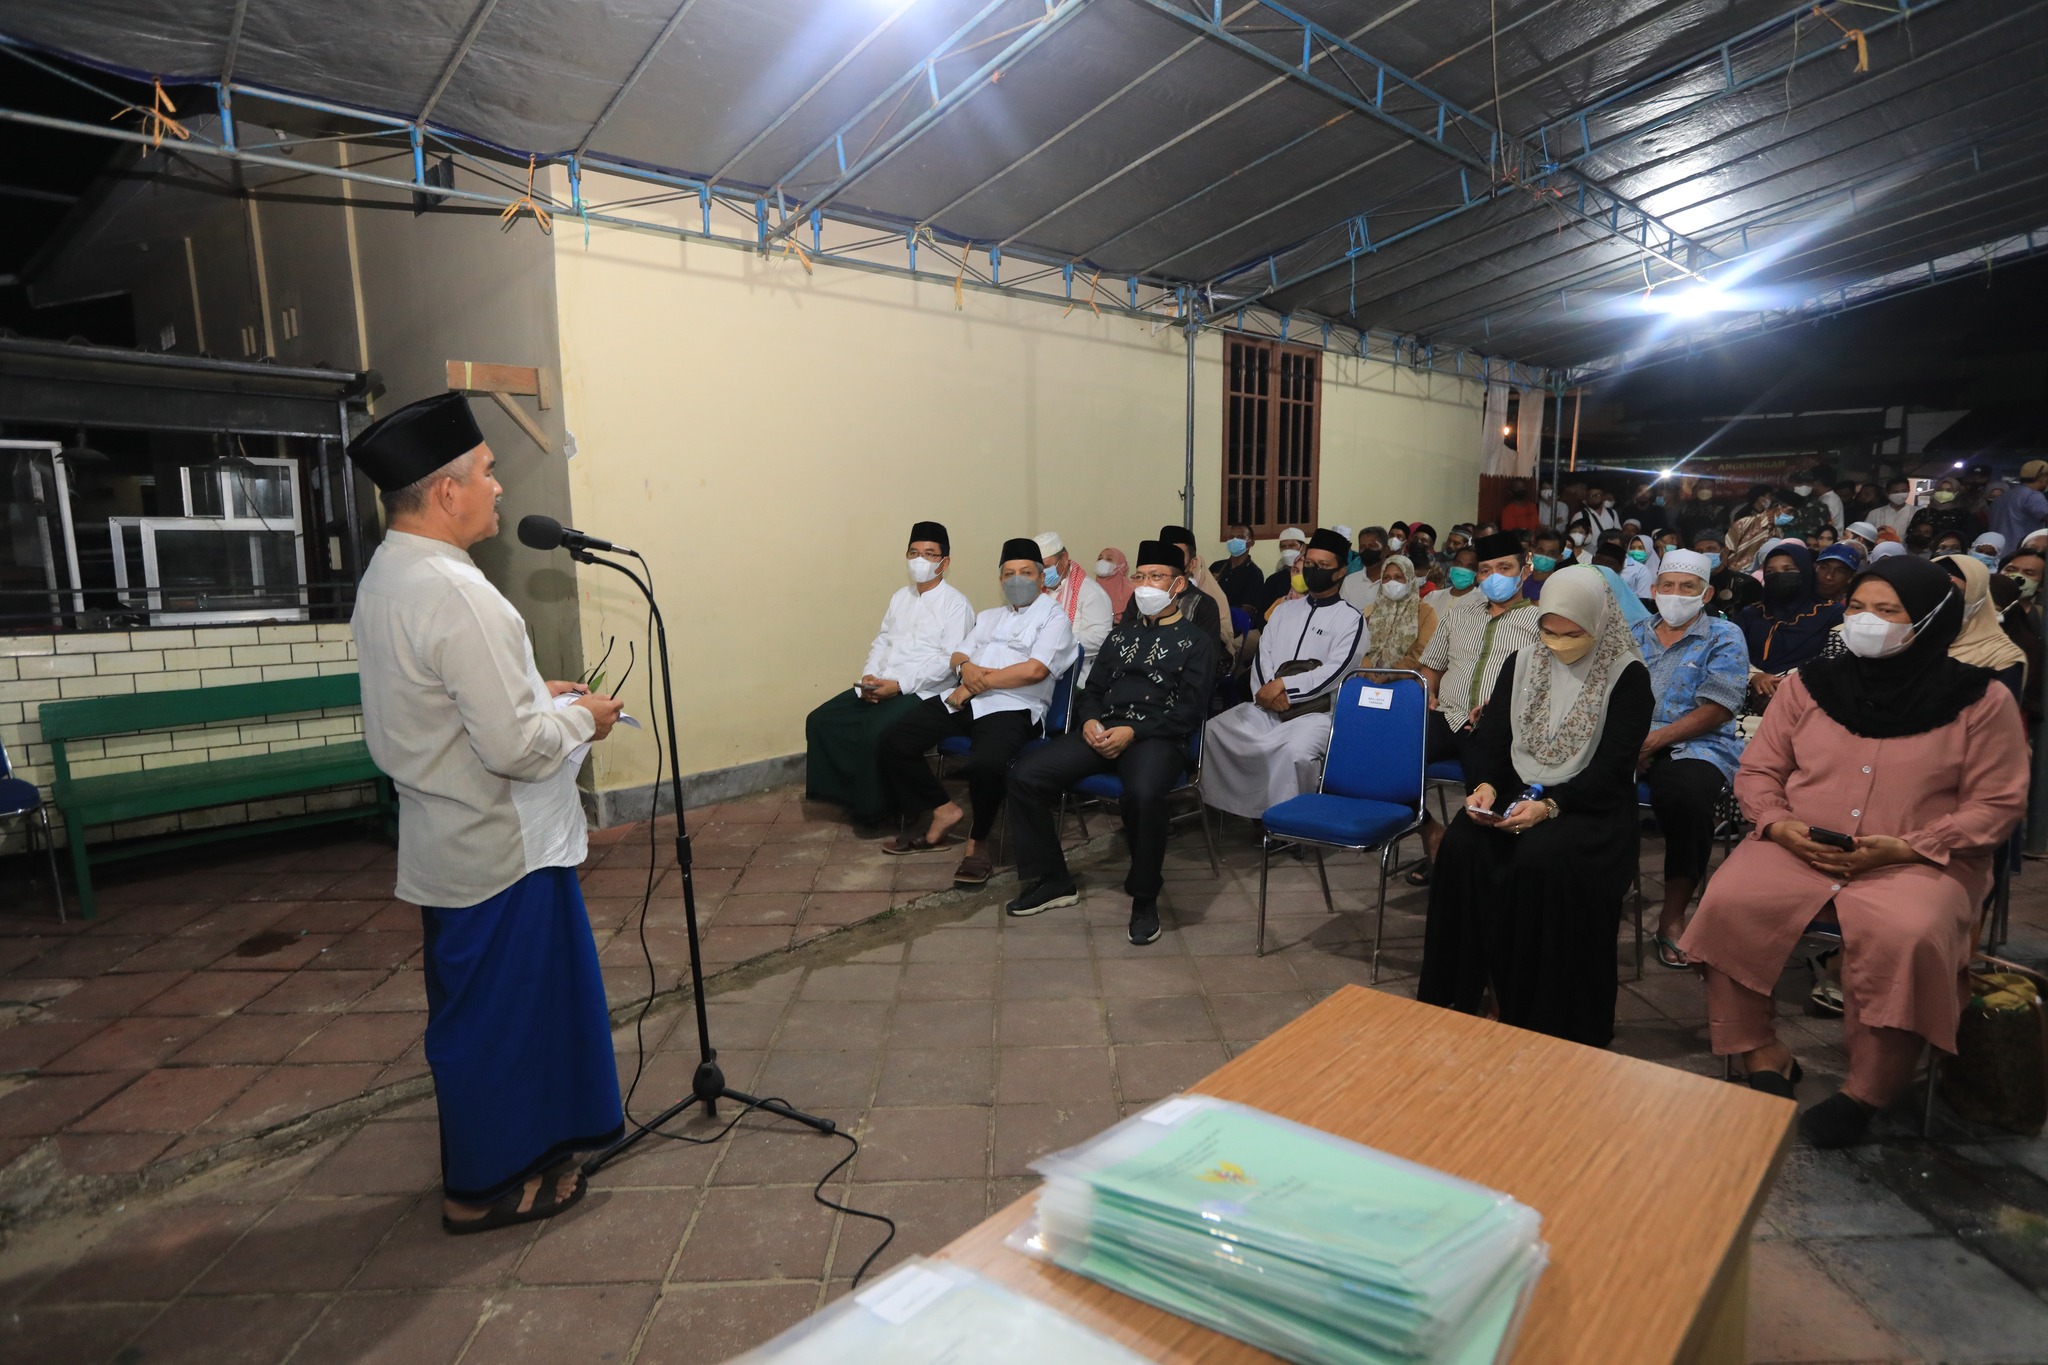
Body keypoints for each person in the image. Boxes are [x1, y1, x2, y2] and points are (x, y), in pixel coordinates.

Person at [346, 393, 625, 1233]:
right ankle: (484, 1187)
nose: (500, 489)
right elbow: (512, 747)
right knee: (502, 1025)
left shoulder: (389, 574)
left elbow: (443, 702)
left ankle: (511, 1158)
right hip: (500, 846)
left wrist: (536, 694)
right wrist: (585, 718)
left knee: (478, 1015)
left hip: (446, 840)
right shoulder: (458, 592)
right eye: (489, 473)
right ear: (446, 492)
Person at [1679, 556, 2028, 1147]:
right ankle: (1762, 1055)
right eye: (1858, 607)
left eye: (1887, 611)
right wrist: (1778, 824)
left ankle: (1869, 1090)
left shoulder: (1980, 700)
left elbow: (1996, 804)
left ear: (1930, 619)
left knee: (1908, 934)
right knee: (1731, 900)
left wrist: (1913, 846)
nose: (1867, 620)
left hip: (1916, 859)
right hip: (1801, 845)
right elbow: (1761, 769)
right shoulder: (1810, 684)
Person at [1417, 566, 1653, 1047]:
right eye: (1550, 630)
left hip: (1590, 806)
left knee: (1538, 859)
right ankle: (1465, 992)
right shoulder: (1524, 660)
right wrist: (1483, 785)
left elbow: (1612, 768)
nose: (1560, 643)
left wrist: (1552, 806)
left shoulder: (1627, 676)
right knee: (1464, 843)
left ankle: (1534, 1010)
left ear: (1600, 623)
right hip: (1516, 788)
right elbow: (1493, 738)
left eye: (1574, 633)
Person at [1005, 540, 1221, 944]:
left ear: (1178, 585)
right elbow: (1093, 689)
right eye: (1141, 576)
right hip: (1102, 730)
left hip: (1156, 737)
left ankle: (1144, 896)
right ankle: (1053, 879)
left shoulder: (1197, 643)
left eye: (1157, 577)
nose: (1145, 585)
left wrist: (1134, 732)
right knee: (1026, 774)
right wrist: (1088, 721)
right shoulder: (1120, 636)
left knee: (1142, 794)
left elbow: (1190, 711)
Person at [875, 538, 1076, 884]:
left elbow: (1034, 671)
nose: (1017, 580)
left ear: (1042, 578)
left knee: (986, 764)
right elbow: (958, 656)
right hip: (966, 700)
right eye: (1009, 573)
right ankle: (943, 809)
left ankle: (977, 842)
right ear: (1000, 580)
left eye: (1026, 573)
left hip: (1014, 707)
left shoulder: (1054, 618)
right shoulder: (989, 617)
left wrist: (975, 681)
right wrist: (967, 674)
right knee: (893, 739)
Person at [806, 521, 977, 827]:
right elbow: (882, 640)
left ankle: (879, 808)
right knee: (821, 720)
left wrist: (899, 686)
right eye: (914, 553)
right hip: (883, 681)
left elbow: (948, 661)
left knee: (878, 733)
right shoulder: (900, 597)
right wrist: (870, 676)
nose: (919, 560)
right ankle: (850, 795)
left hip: (921, 691)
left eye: (929, 554)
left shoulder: (956, 605)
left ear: (944, 562)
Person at [1629, 551, 1749, 969]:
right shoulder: (1633, 632)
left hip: (1697, 744)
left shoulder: (1724, 635)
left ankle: (1673, 916)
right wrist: (1629, 743)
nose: (1675, 595)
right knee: (1583, 785)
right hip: (1632, 740)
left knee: (1685, 799)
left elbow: (1719, 705)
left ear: (1706, 593)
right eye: (1668, 586)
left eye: (1687, 587)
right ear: (1653, 589)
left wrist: (1654, 740)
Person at [1203, 529, 1367, 820]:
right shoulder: (1283, 611)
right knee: (1216, 730)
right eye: (1309, 563)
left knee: (1295, 752)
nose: (1312, 570)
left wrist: (1284, 687)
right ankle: (1233, 808)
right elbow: (1262, 658)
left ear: (1340, 572)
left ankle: (1290, 821)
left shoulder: (1350, 619)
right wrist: (1267, 692)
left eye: (1322, 566)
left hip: (1316, 713)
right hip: (1267, 704)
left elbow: (1336, 671)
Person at [1409, 532, 1543, 882]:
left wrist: (1504, 709)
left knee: (1486, 796)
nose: (1494, 577)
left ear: (1523, 571)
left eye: (1504, 567)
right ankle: (1433, 834)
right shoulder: (1458, 615)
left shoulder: (1541, 623)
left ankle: (1463, 860)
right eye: (1486, 570)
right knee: (1384, 763)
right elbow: (1431, 667)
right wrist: (1429, 693)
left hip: (1498, 727)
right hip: (1445, 715)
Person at [1736, 542, 1843, 703]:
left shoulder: (1833, 614)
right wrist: (1755, 676)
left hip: (1805, 701)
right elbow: (1731, 653)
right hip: (1746, 699)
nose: (1779, 576)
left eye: (1789, 570)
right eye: (1771, 572)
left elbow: (1835, 660)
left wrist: (1784, 682)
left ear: (1806, 572)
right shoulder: (1751, 613)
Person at [1938, 553, 2028, 702]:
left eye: (1955, 593)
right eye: (1932, 589)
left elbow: (1998, 719)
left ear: (1976, 598)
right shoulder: (1908, 639)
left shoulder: (2001, 658)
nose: (1940, 600)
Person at [1035, 531, 1114, 679]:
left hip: (1080, 676)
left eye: (1047, 566)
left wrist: (1056, 640)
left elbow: (1101, 638)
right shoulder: (1037, 593)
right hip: (1041, 673)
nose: (1043, 573)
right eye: (1039, 569)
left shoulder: (1091, 592)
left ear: (1064, 559)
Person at [1160, 524, 1236, 655]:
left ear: (1193, 564)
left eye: (1178, 555)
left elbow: (1205, 656)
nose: (1171, 560)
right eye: (1166, 553)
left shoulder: (1205, 604)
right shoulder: (1141, 597)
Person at [1362, 554, 1437, 671]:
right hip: (1365, 673)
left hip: (1405, 677)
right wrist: (1367, 671)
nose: (1392, 583)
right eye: (1386, 577)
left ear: (1410, 579)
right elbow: (1358, 648)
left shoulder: (1425, 612)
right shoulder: (1369, 611)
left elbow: (1423, 651)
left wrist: (1394, 674)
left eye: (1398, 577)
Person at [1988, 459, 2048, 549]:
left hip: (1996, 551)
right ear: (2042, 477)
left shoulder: (2003, 497)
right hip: (2020, 553)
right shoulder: (2032, 496)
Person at [1908, 477, 1982, 550]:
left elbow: (1967, 538)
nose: (1944, 492)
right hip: (1921, 553)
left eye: (1949, 490)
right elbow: (1911, 534)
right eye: (1940, 489)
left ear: (1956, 493)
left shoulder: (1962, 515)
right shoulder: (1922, 513)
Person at [1214, 522, 1267, 612]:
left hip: (1234, 623)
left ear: (1251, 542)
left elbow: (1247, 609)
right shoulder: (1217, 567)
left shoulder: (1254, 574)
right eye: (1231, 537)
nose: (1235, 540)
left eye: (1240, 537)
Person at [1726, 487, 1781, 571]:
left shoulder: (1772, 518)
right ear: (1761, 499)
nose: (1772, 499)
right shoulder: (1742, 514)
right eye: (1770, 496)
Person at [1256, 527, 1307, 615]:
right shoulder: (1273, 581)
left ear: (1303, 548)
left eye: (1292, 546)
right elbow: (1262, 613)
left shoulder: (1312, 578)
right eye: (1284, 547)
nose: (1287, 550)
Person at [1340, 526, 1388, 614]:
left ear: (1386, 550)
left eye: (1372, 546)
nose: (1366, 550)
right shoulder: (1350, 581)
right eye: (1362, 547)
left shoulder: (1394, 582)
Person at [1093, 546, 1135, 624]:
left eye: (1109, 559)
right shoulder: (1090, 588)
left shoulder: (1131, 591)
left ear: (1121, 565)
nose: (1102, 562)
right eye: (1099, 559)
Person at [1678, 481, 1725, 547]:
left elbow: (1724, 532)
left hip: (1712, 550)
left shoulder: (1722, 507)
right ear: (1696, 489)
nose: (1705, 490)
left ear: (1714, 489)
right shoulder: (1686, 507)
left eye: (1708, 487)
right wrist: (1684, 548)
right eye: (1701, 487)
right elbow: (1679, 530)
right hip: (1688, 550)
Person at [1522, 529, 1566, 601]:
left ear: (1559, 558)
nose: (1544, 556)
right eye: (1541, 551)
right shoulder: (1520, 583)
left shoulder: (1560, 588)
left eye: (1551, 553)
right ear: (1533, 551)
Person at [1620, 533, 1659, 600]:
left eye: (1641, 548)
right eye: (1632, 548)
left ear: (1649, 549)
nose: (1636, 551)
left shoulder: (1658, 570)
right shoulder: (1623, 568)